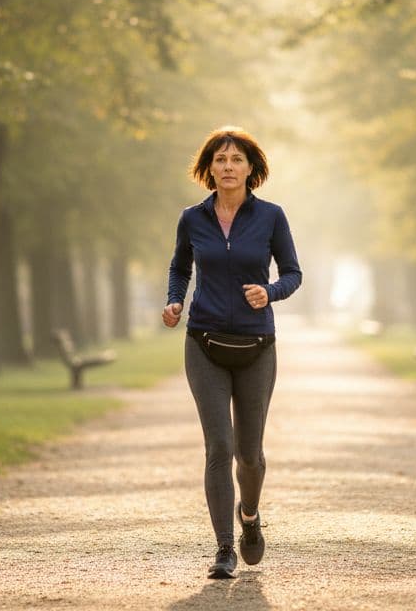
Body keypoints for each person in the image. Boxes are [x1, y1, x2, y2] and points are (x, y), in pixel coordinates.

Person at [163, 125, 302, 579]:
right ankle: (224, 548)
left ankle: (250, 516)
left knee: (250, 455)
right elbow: (181, 266)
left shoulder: (271, 216)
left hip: (257, 346)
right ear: (209, 168)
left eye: (236, 159)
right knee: (219, 447)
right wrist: (175, 300)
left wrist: (270, 291)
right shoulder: (192, 218)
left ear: (251, 168)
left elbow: (293, 273)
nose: (227, 166)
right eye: (220, 159)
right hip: (204, 343)